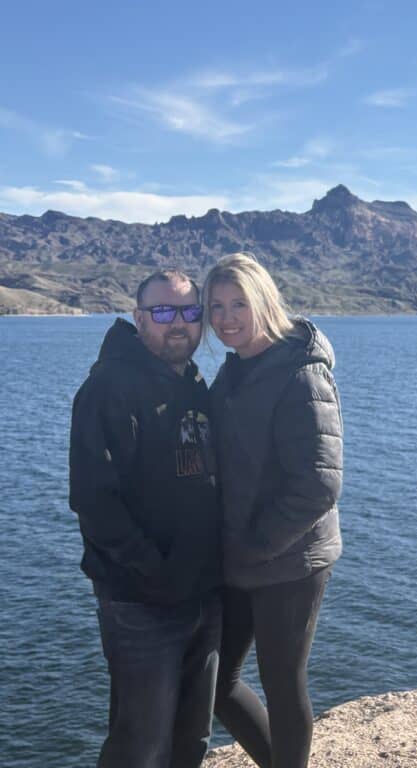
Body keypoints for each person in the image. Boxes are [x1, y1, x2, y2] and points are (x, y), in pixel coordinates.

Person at [69, 270, 222, 768]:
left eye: (190, 311)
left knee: (191, 738)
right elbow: (94, 502)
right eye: (162, 312)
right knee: (140, 745)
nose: (178, 323)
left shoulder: (192, 382)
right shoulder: (108, 388)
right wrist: (156, 573)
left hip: (203, 594)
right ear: (139, 319)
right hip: (140, 603)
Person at [204, 253, 343, 768]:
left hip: (291, 558)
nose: (227, 318)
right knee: (217, 681)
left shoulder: (301, 373)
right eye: (216, 306)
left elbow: (319, 483)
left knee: (282, 681)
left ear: (264, 300)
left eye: (239, 303)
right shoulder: (236, 368)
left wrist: (257, 543)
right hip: (241, 553)